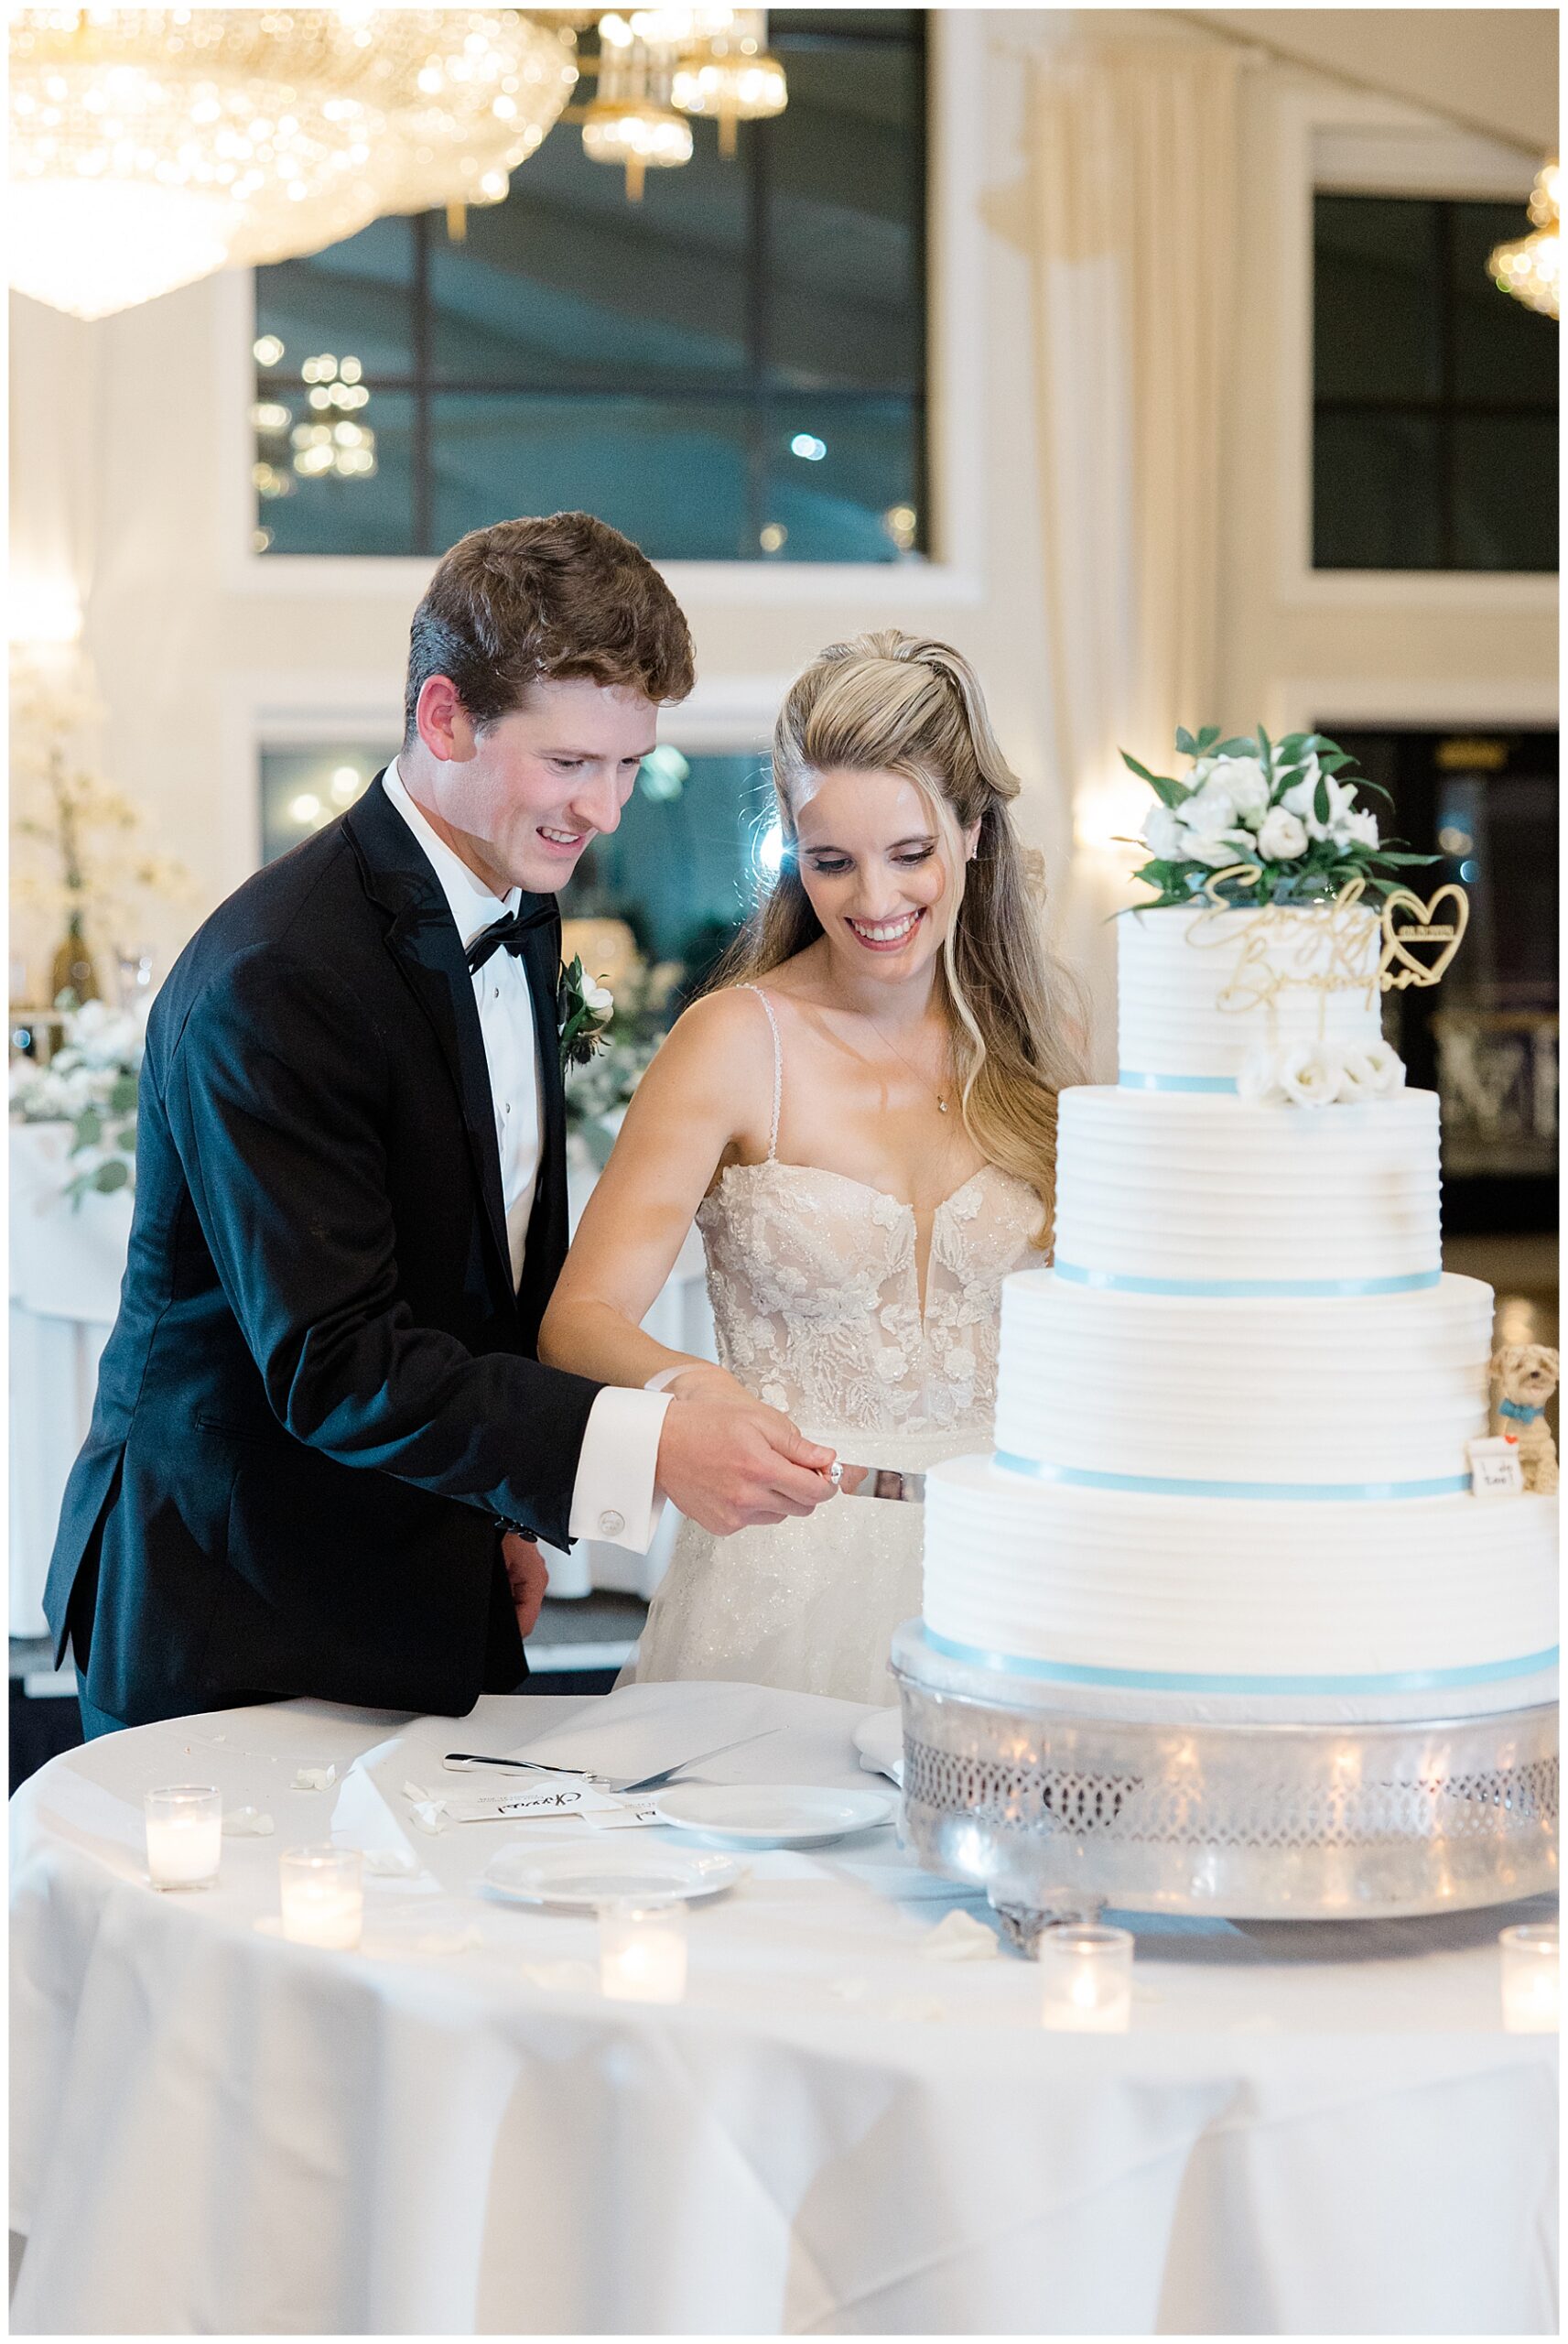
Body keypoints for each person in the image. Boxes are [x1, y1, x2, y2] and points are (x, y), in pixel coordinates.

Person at [44, 512, 837, 1735]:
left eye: (629, 766)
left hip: (422, 1558)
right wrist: (640, 1450)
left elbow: (480, 1264)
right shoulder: (280, 972)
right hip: (240, 1598)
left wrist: (496, 1517)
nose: (609, 810)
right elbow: (337, 1359)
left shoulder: (514, 897)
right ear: (443, 718)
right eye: (573, 764)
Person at [541, 632, 1083, 1702]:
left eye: (910, 852)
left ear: (973, 835)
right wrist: (699, 1395)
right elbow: (577, 1318)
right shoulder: (737, 1041)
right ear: (793, 848)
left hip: (1015, 1573)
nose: (873, 899)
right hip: (786, 1575)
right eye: (830, 860)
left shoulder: (1040, 1039)